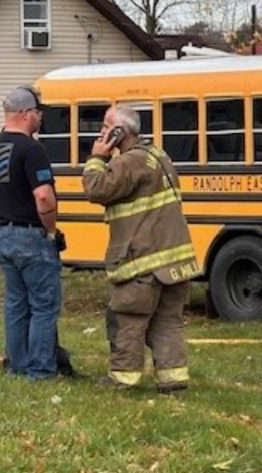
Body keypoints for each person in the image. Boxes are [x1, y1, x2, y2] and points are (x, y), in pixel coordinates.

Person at [82, 105, 199, 393]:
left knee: (128, 319)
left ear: (120, 131)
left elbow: (96, 189)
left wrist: (98, 157)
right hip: (174, 262)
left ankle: (123, 378)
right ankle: (173, 380)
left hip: (143, 262)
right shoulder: (159, 156)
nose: (102, 131)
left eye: (107, 126)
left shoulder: (129, 163)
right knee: (168, 321)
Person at [0, 85, 63, 380]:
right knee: (43, 304)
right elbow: (44, 197)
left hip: (2, 233)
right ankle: (40, 370)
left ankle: (17, 365)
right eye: (37, 112)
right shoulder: (32, 149)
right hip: (30, 235)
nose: (40, 118)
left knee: (15, 303)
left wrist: (2, 203)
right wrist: (50, 230)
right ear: (25, 114)